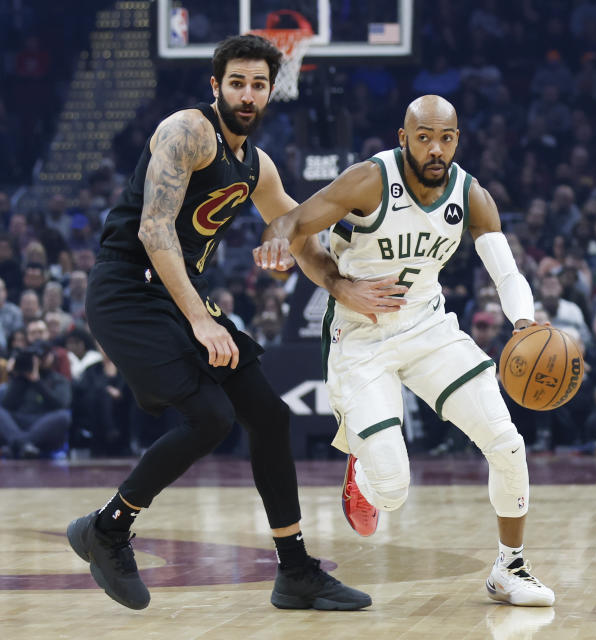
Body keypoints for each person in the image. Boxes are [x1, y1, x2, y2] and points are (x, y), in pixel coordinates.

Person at [66, 35, 398, 612]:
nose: (248, 94)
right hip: (127, 289)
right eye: (237, 82)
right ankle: (108, 528)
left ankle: (295, 571)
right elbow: (154, 229)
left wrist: (342, 284)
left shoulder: (257, 166)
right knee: (211, 417)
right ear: (215, 86)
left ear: (273, 91)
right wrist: (202, 320)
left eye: (259, 84)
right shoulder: (186, 131)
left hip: (178, 295)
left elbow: (298, 232)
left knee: (269, 414)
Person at [255, 95, 555, 607]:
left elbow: (507, 273)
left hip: (428, 327)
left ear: (457, 139)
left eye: (446, 138)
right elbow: (294, 222)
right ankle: (363, 467)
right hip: (362, 335)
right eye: (424, 138)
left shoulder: (472, 195)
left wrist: (524, 322)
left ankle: (510, 568)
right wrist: (279, 241)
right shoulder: (369, 180)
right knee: (392, 491)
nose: (435, 149)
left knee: (507, 443)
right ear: (404, 138)